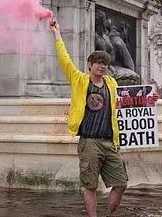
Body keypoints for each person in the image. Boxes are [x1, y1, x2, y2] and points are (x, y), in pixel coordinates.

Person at [49, 17, 127, 217]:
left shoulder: (112, 83)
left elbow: (125, 103)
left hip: (110, 142)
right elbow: (64, 59)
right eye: (98, 63)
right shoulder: (79, 80)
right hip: (89, 141)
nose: (102, 66)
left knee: (120, 183)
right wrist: (56, 33)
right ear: (90, 65)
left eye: (105, 64)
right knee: (90, 186)